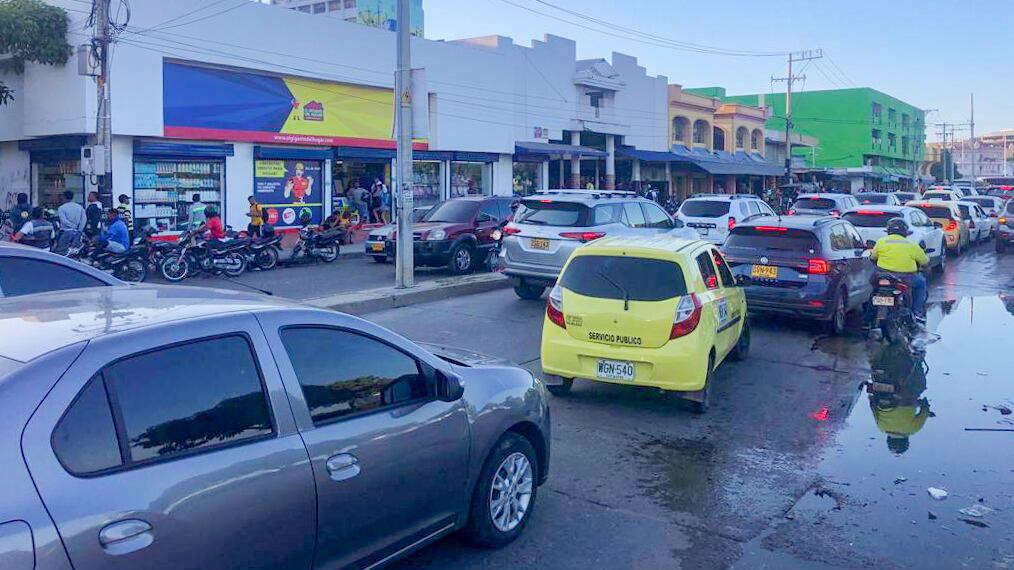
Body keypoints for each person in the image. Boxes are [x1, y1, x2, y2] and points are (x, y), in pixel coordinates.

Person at [871, 218, 929, 321]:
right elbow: (925, 262)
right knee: (921, 283)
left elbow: (873, 258)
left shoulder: (881, 242)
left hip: (884, 277)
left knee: (874, 290)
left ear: (888, 231)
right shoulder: (911, 244)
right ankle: (917, 312)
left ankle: (868, 318)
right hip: (907, 278)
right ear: (905, 232)